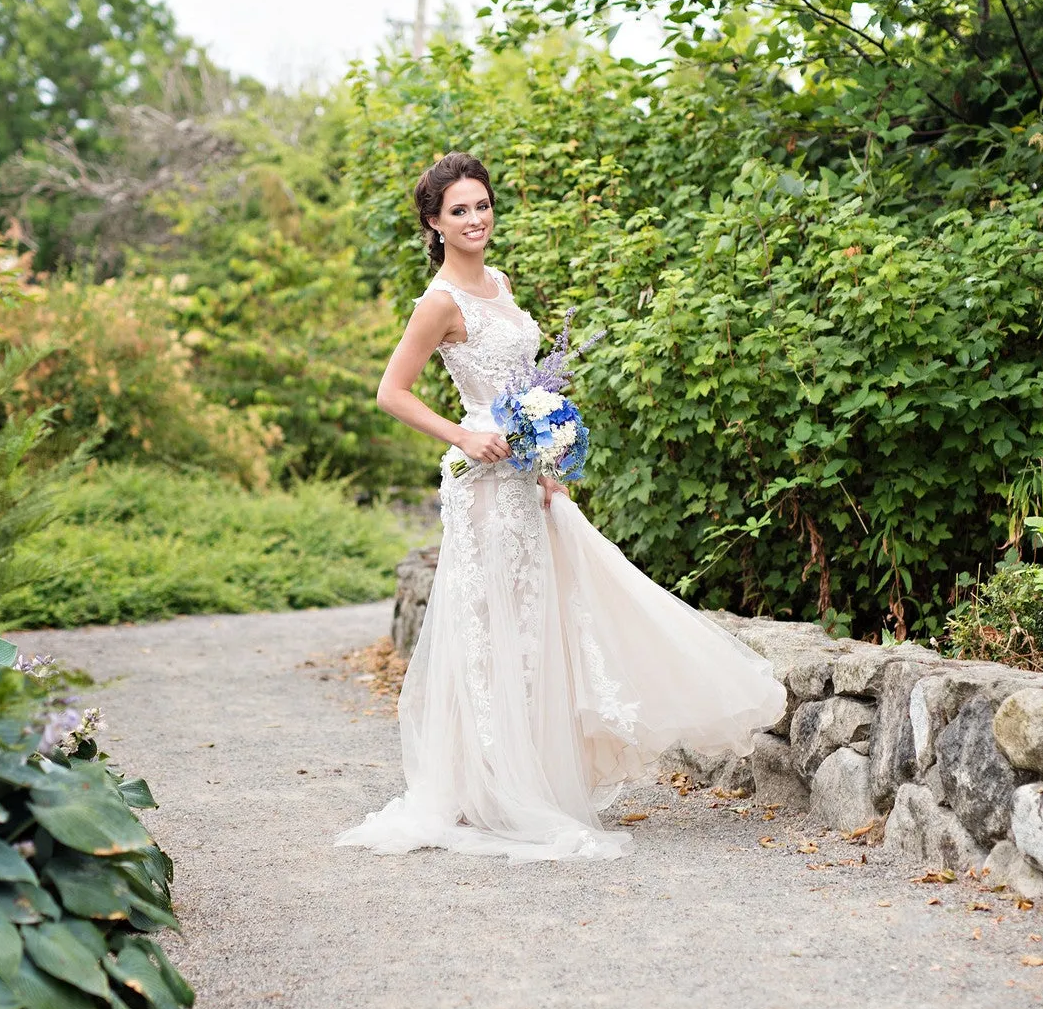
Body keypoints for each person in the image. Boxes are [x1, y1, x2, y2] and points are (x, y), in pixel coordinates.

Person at [335, 152, 786, 862]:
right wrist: (464, 433)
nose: (476, 218)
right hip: (483, 487)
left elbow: (520, 382)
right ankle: (488, 787)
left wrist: (546, 457)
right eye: (459, 210)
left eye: (482, 204)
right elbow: (391, 390)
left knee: (539, 625)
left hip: (526, 480)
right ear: (434, 221)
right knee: (491, 630)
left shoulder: (500, 282)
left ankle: (533, 776)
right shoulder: (440, 302)